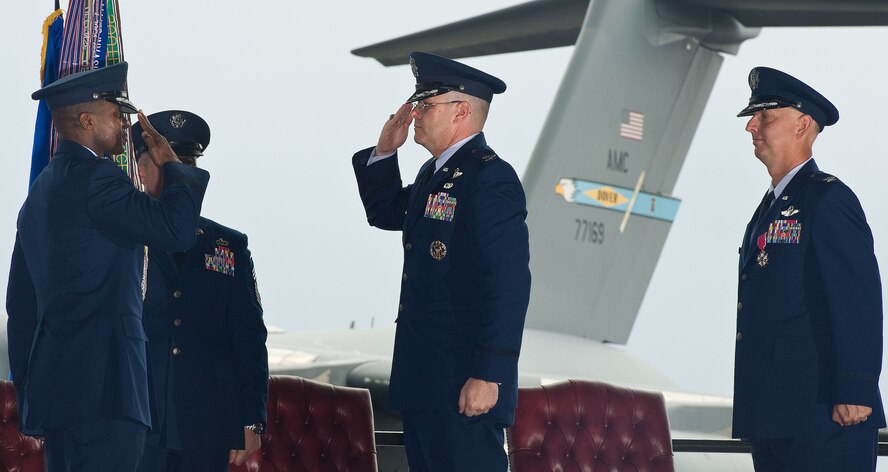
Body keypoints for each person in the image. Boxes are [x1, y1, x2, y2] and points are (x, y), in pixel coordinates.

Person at [6, 62, 210, 472]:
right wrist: (175, 168)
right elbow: (177, 231)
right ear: (86, 120)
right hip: (109, 389)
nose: (122, 124)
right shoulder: (98, 180)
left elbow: (21, 304)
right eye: (116, 115)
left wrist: (32, 393)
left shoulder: (39, 194)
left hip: (57, 395)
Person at [351, 51, 531, 471]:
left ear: (461, 111)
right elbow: (386, 213)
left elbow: (507, 284)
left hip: (464, 382)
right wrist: (383, 153)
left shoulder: (489, 178)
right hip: (425, 380)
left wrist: (489, 375)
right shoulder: (437, 176)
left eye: (425, 105)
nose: (414, 115)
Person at [734, 66, 885, 471]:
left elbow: (857, 298)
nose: (751, 126)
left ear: (802, 125)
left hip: (825, 413)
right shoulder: (769, 209)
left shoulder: (828, 200)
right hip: (774, 412)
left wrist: (856, 388)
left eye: (765, 116)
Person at [130, 110, 268, 472]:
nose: (183, 174)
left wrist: (252, 419)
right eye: (170, 163)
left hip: (207, 421)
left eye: (188, 164)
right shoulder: (124, 238)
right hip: (137, 416)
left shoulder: (228, 244)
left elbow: (249, 336)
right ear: (142, 171)